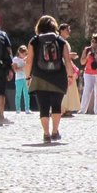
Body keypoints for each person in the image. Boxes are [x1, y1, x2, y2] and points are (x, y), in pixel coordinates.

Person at [25, 15, 74, 144]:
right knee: (57, 105)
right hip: (58, 77)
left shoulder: (34, 41)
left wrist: (27, 77)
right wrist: (70, 76)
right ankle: (55, 132)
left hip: (39, 77)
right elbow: (67, 60)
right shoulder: (60, 41)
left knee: (43, 107)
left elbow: (29, 61)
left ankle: (46, 134)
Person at [79, 34, 97, 114]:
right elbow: (82, 62)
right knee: (87, 90)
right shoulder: (87, 50)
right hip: (88, 73)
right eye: (92, 41)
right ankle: (83, 110)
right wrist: (87, 57)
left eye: (95, 42)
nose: (93, 43)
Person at [58, 22, 80, 115]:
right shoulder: (59, 41)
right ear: (61, 30)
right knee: (65, 87)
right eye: (67, 30)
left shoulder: (65, 42)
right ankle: (61, 108)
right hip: (62, 67)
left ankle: (67, 108)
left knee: (69, 88)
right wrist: (70, 56)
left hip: (67, 66)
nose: (69, 31)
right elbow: (60, 55)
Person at [12, 46, 31, 114]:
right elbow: (15, 70)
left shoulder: (27, 58)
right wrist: (24, 67)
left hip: (26, 78)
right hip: (18, 79)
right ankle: (18, 109)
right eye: (22, 53)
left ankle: (27, 109)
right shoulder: (15, 59)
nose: (24, 55)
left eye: (25, 53)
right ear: (19, 52)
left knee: (27, 94)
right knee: (18, 94)